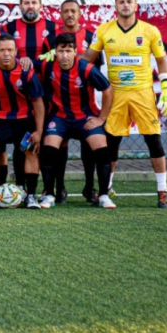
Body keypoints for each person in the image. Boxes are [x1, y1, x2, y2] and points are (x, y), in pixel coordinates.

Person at [82, 0, 167, 209]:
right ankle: (106, 189)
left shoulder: (149, 31)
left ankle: (162, 192)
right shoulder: (104, 30)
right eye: (121, 2)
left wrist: (166, 90)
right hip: (116, 94)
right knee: (112, 143)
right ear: (115, 6)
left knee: (154, 141)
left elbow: (161, 61)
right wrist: (61, 61)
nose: (125, 5)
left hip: (143, 94)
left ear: (136, 5)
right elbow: (87, 59)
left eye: (129, 2)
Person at [40, 33, 115, 209]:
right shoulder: (47, 66)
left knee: (101, 149)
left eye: (68, 51)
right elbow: (28, 66)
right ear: (55, 52)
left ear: (75, 51)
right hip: (59, 118)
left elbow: (108, 90)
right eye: (61, 51)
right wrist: (25, 60)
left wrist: (101, 118)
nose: (65, 55)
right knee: (48, 149)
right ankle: (49, 194)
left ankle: (103, 195)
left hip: (84, 118)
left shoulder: (87, 68)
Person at [0, 34, 46, 209]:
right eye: (2, 50)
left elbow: (38, 102)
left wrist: (38, 131)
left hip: (24, 121)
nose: (6, 54)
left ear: (16, 51)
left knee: (31, 152)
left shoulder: (26, 71)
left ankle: (31, 196)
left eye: (10, 50)